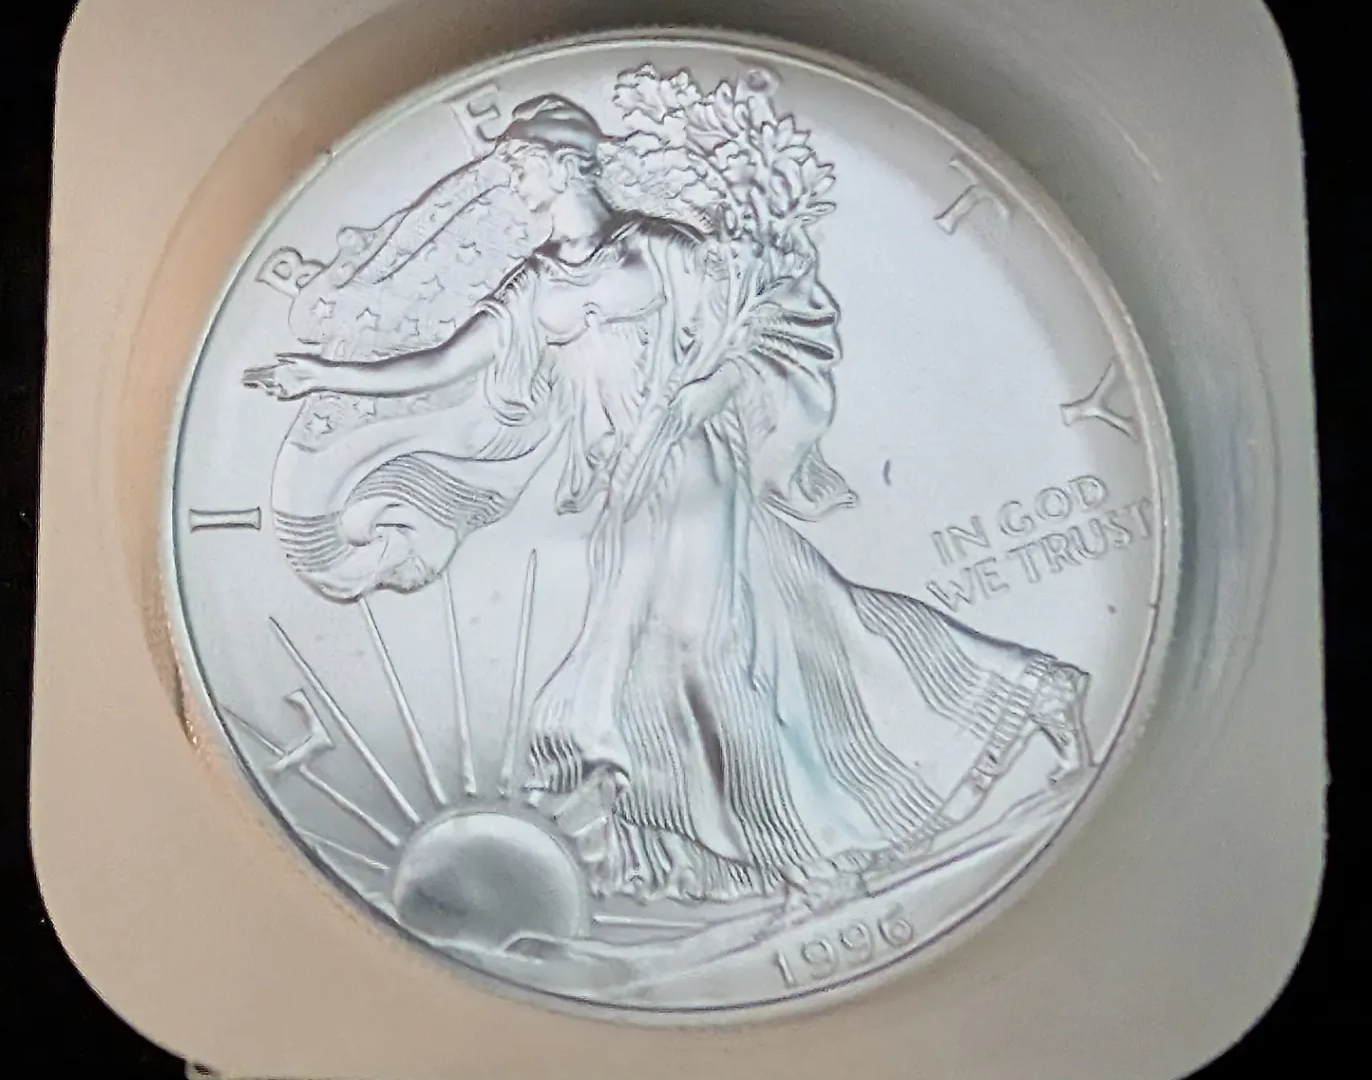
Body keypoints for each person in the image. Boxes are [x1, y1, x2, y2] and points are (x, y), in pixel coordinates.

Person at [246, 95, 1090, 907]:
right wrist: (320, 374)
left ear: (564, 164)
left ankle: (809, 858)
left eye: (523, 167)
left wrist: (698, 396)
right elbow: (439, 368)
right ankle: (1030, 695)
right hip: (624, 484)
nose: (516, 183)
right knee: (808, 623)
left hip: (691, 463)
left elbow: (755, 332)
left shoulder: (659, 250)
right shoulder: (534, 286)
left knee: (696, 651)